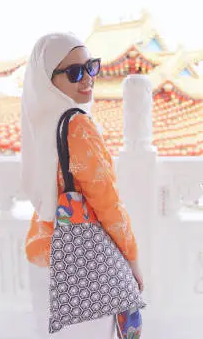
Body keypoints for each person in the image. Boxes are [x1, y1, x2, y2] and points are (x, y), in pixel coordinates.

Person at [20, 33, 143, 338]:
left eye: (91, 67)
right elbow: (107, 202)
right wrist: (133, 260)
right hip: (83, 264)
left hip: (43, 252)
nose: (87, 78)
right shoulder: (78, 125)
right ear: (50, 80)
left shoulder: (39, 122)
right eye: (74, 72)